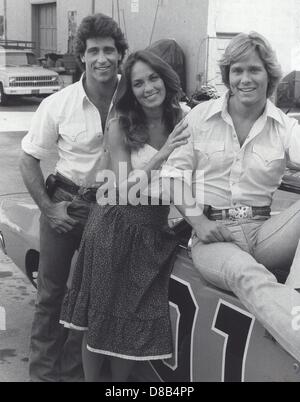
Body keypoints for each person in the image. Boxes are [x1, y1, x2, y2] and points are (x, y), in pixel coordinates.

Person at [161, 31, 300, 362]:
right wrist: (198, 221)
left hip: (264, 232)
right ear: (228, 76)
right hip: (213, 236)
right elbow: (172, 174)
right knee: (247, 275)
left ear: (269, 74)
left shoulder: (285, 126)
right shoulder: (200, 116)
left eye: (254, 70)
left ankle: (294, 298)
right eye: (237, 71)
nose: (245, 79)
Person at [59, 50, 190, 382]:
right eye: (138, 83)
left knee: (131, 321)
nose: (148, 88)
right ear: (130, 90)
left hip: (154, 228)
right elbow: (120, 189)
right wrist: (162, 153)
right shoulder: (120, 124)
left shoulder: (184, 117)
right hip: (114, 225)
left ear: (166, 79)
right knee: (99, 317)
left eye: (153, 78)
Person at [19, 13, 128, 382]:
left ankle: (75, 374)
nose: (102, 58)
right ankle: (43, 376)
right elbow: (28, 158)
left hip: (114, 209)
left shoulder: (134, 96)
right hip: (67, 203)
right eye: (94, 50)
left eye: (109, 50)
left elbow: (177, 118)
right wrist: (49, 208)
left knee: (97, 299)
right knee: (51, 297)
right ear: (82, 55)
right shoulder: (59, 104)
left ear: (120, 55)